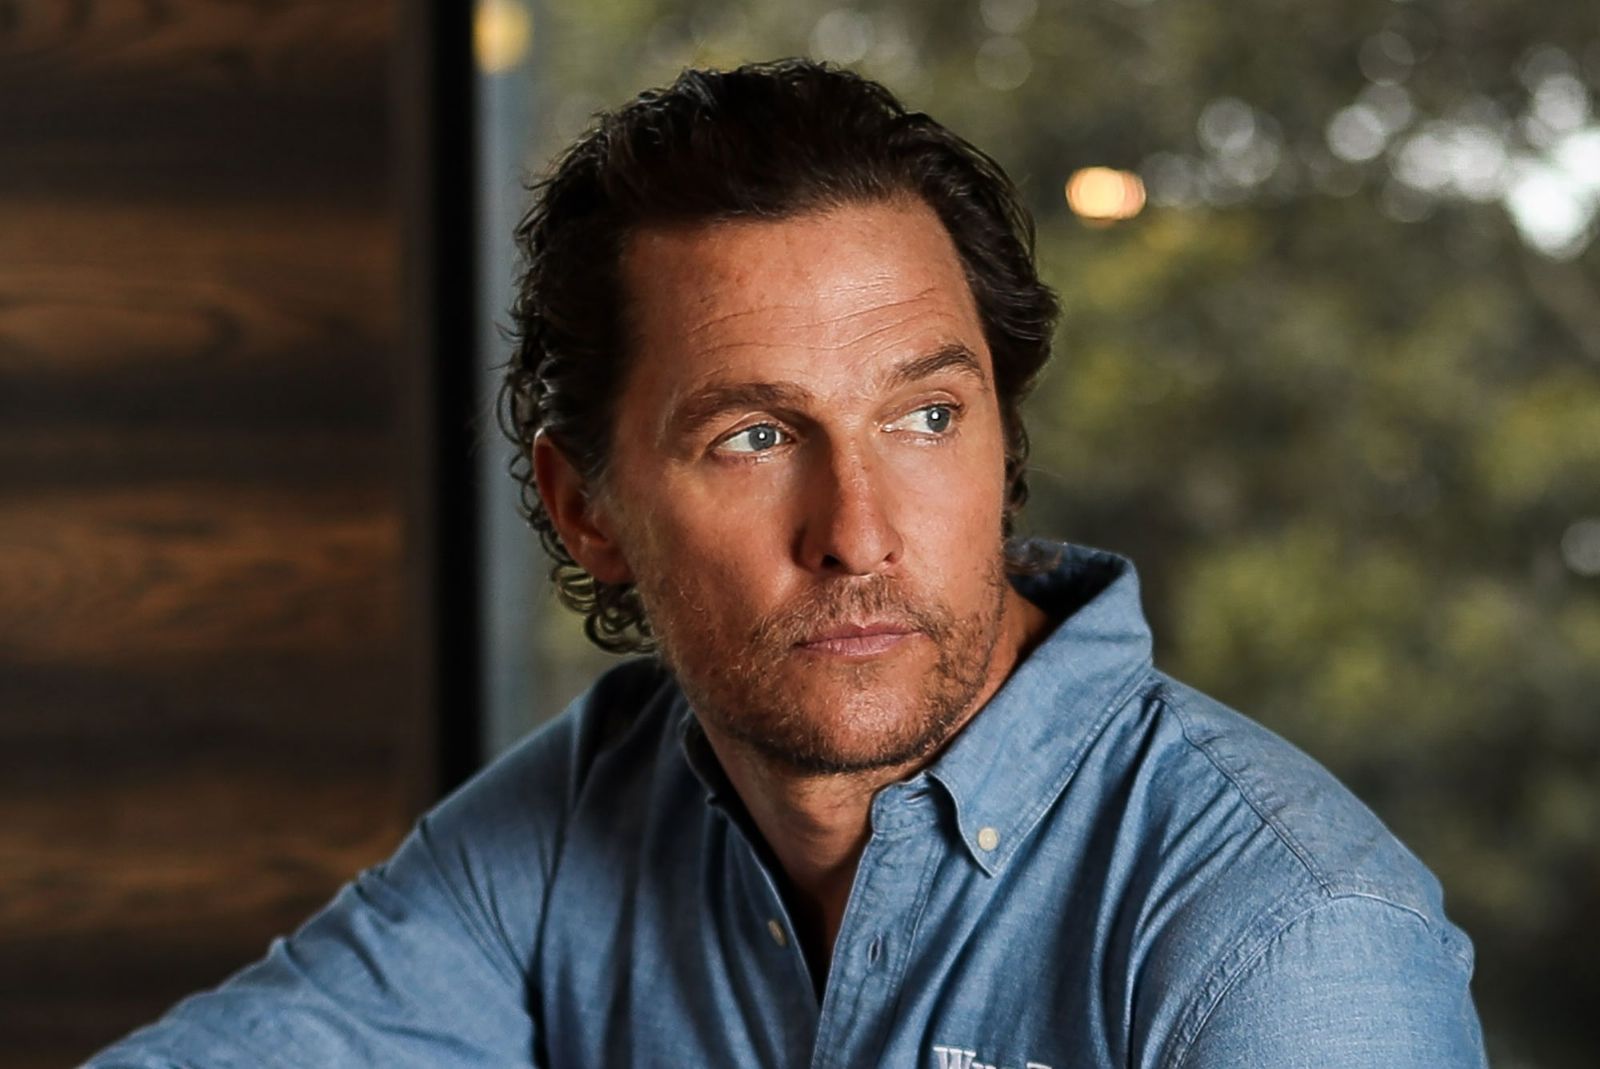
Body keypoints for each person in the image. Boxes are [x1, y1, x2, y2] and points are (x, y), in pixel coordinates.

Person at [88, 59, 1487, 1068]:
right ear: (587, 510)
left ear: (1002, 435)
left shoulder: (1292, 938)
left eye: (925, 417)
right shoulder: (583, 814)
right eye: (754, 436)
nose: (858, 532)